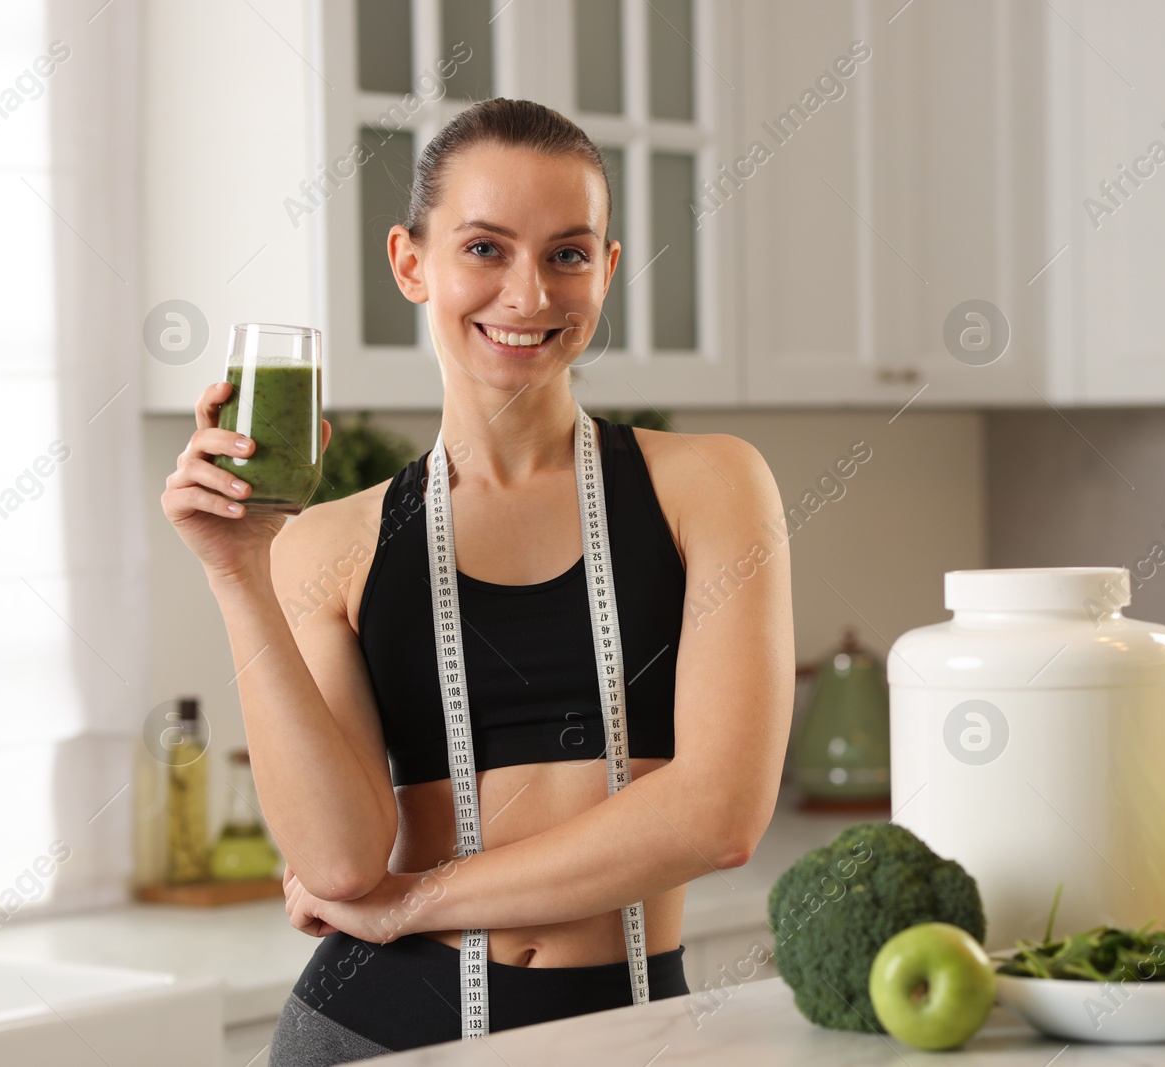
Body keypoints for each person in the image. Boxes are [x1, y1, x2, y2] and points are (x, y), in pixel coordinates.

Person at [162, 97, 794, 1064]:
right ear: (412, 264)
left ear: (609, 269)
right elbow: (336, 860)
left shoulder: (708, 486)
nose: (530, 294)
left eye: (569, 254)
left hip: (625, 1027)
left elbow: (717, 818)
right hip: (373, 1029)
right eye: (486, 249)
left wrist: (418, 899)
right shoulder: (328, 542)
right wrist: (237, 570)